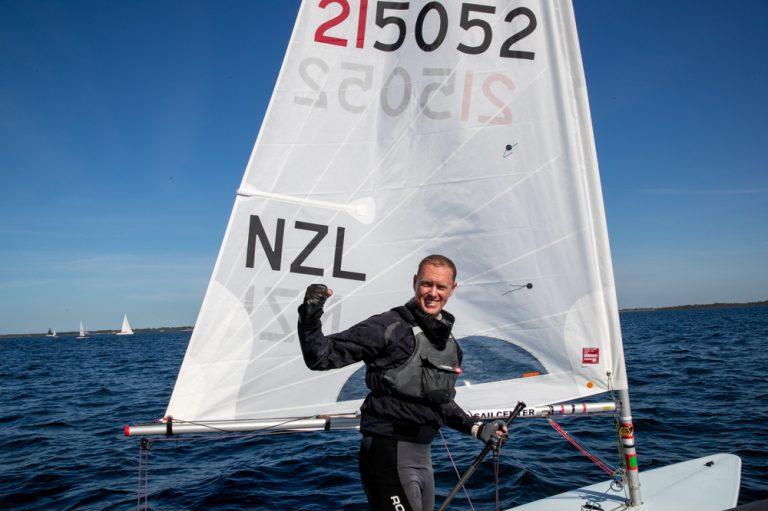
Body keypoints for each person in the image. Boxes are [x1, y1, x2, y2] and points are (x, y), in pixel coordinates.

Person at [297, 254, 507, 511]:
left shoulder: (450, 346)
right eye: (426, 284)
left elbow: (440, 402)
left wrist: (476, 428)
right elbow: (321, 357)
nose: (432, 293)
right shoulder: (387, 327)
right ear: (415, 282)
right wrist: (309, 316)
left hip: (423, 456)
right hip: (387, 453)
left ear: (453, 289)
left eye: (441, 287)